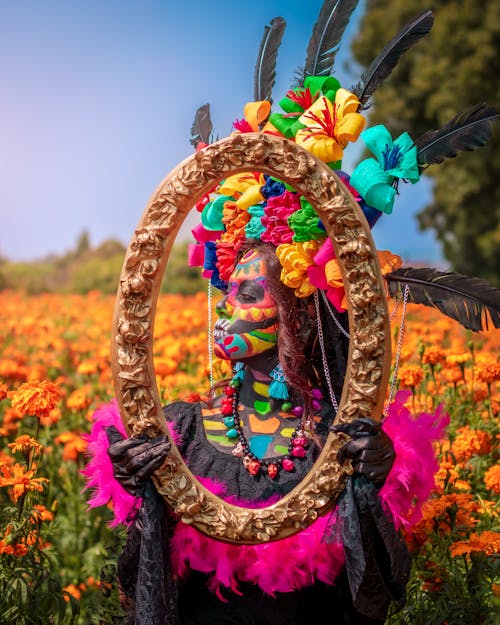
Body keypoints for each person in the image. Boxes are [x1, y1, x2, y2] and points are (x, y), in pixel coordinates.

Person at [83, 4, 498, 623]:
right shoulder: (183, 435)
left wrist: (368, 490)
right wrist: (145, 494)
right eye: (227, 291)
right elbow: (141, 590)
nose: (227, 307)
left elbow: (379, 595)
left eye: (250, 295)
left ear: (298, 317)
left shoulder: (343, 446)